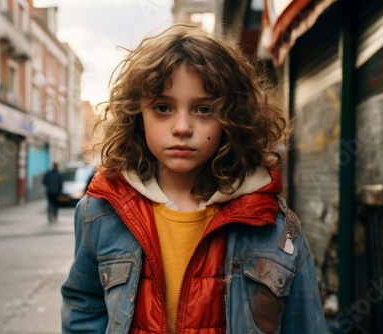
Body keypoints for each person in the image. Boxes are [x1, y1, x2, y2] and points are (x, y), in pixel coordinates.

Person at [61, 24, 326, 333]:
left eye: (203, 109)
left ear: (233, 118)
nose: (182, 127)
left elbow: (305, 324)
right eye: (163, 107)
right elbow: (84, 308)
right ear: (137, 116)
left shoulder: (276, 229)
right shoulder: (101, 214)